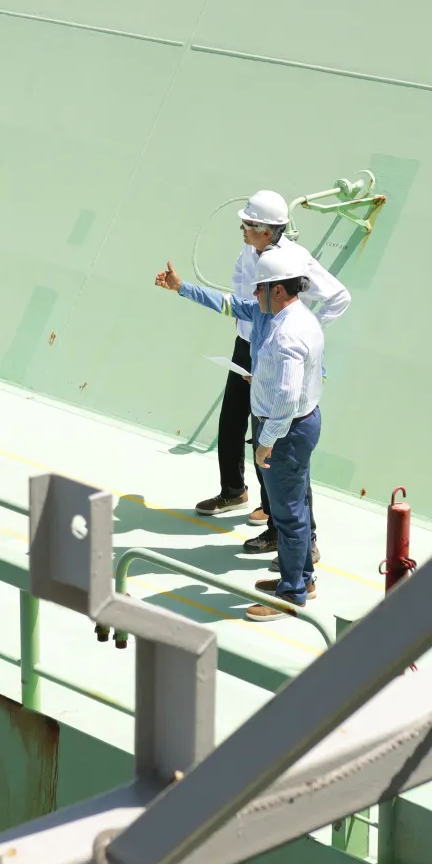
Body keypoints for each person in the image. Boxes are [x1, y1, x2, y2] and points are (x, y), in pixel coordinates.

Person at [155, 244, 323, 619]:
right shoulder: (285, 317)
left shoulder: (285, 336)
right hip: (297, 424)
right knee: (294, 506)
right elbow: (229, 305)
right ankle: (303, 578)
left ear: (277, 289)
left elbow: (286, 397)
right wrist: (183, 288)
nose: (252, 293)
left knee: (289, 514)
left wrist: (266, 443)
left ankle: (291, 594)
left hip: (285, 430)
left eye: (258, 286)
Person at [195, 189, 350, 565]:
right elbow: (239, 295)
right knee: (233, 422)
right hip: (248, 346)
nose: (244, 229)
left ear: (267, 229)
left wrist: (306, 331)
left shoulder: (294, 261)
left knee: (274, 444)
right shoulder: (248, 254)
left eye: (249, 224)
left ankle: (283, 528)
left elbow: (338, 297)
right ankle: (236, 492)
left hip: (277, 354)